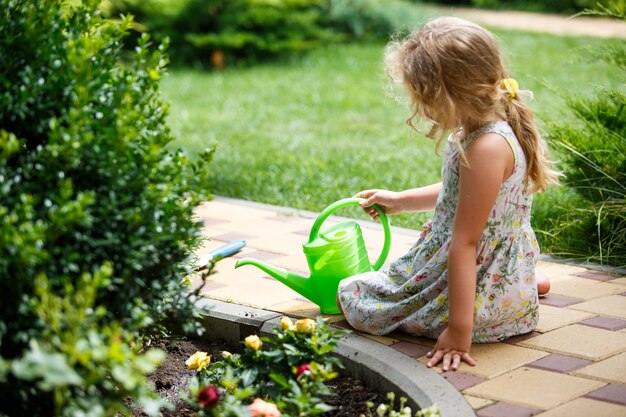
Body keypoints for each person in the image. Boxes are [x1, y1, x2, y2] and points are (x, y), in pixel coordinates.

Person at [336, 17, 560, 372]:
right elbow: (464, 195)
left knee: (355, 295)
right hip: (492, 270)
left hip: (471, 274)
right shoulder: (485, 127)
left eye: (424, 100)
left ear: (450, 95)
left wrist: (458, 331)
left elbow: (465, 244)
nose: (422, 110)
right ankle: (518, 285)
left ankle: (500, 301)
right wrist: (400, 200)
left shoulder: (486, 146)